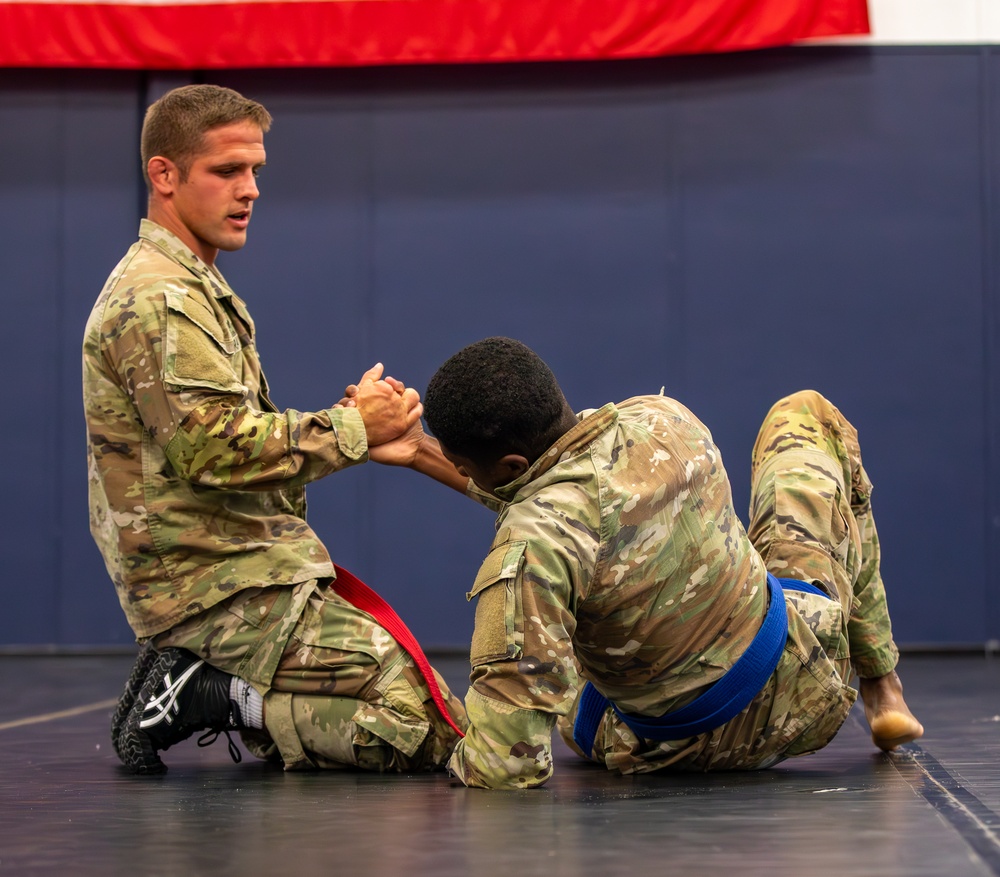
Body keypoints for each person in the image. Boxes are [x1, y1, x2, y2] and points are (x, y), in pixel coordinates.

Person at [83, 84, 467, 775]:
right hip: (216, 590)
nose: (251, 189)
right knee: (427, 726)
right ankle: (210, 692)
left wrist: (366, 434)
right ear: (163, 175)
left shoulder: (192, 285)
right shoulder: (159, 300)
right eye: (227, 171)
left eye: (255, 170)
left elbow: (220, 436)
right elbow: (212, 449)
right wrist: (351, 426)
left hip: (246, 571)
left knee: (435, 712)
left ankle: (204, 682)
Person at [414, 336, 923, 790]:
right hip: (809, 679)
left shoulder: (529, 550)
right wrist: (417, 449)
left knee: (546, 683)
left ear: (510, 468)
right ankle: (882, 684)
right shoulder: (662, 419)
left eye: (462, 468)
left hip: (674, 750)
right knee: (808, 413)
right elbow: (555, 495)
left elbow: (508, 764)